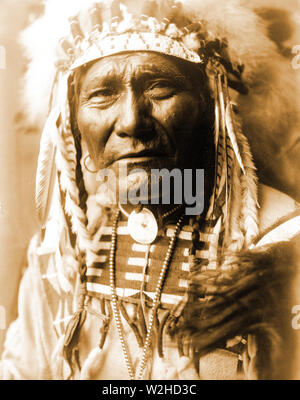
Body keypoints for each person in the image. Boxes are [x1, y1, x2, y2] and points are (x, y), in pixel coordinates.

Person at [1, 0, 300, 380]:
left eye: (160, 89)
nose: (130, 122)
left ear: (211, 106)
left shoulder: (281, 242)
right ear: (75, 123)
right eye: (102, 94)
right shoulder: (62, 256)